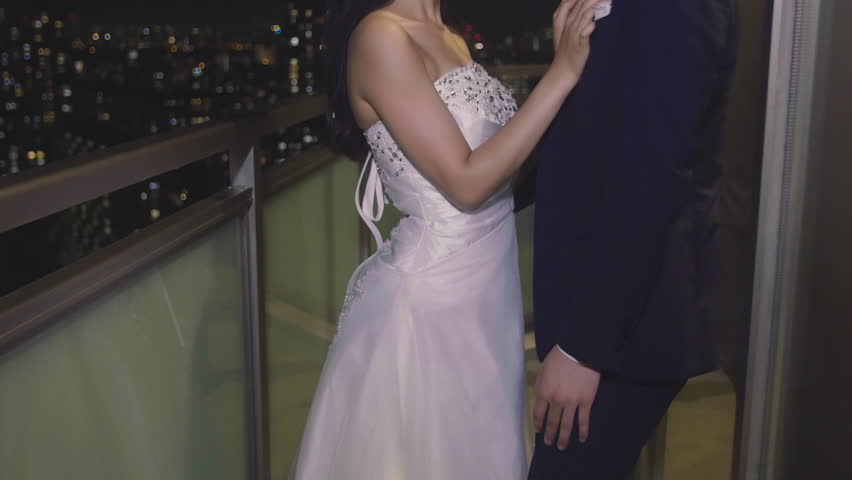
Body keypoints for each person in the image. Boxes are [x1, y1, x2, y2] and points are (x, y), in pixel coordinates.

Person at [291, 0, 600, 478]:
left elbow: (502, 175)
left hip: (487, 299)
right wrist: (561, 73)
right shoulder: (381, 35)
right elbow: (469, 183)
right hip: (428, 307)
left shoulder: (449, 33)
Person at [515, 0, 739, 478]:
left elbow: (651, 177)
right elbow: (594, 133)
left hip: (624, 333)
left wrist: (584, 349)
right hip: (605, 320)